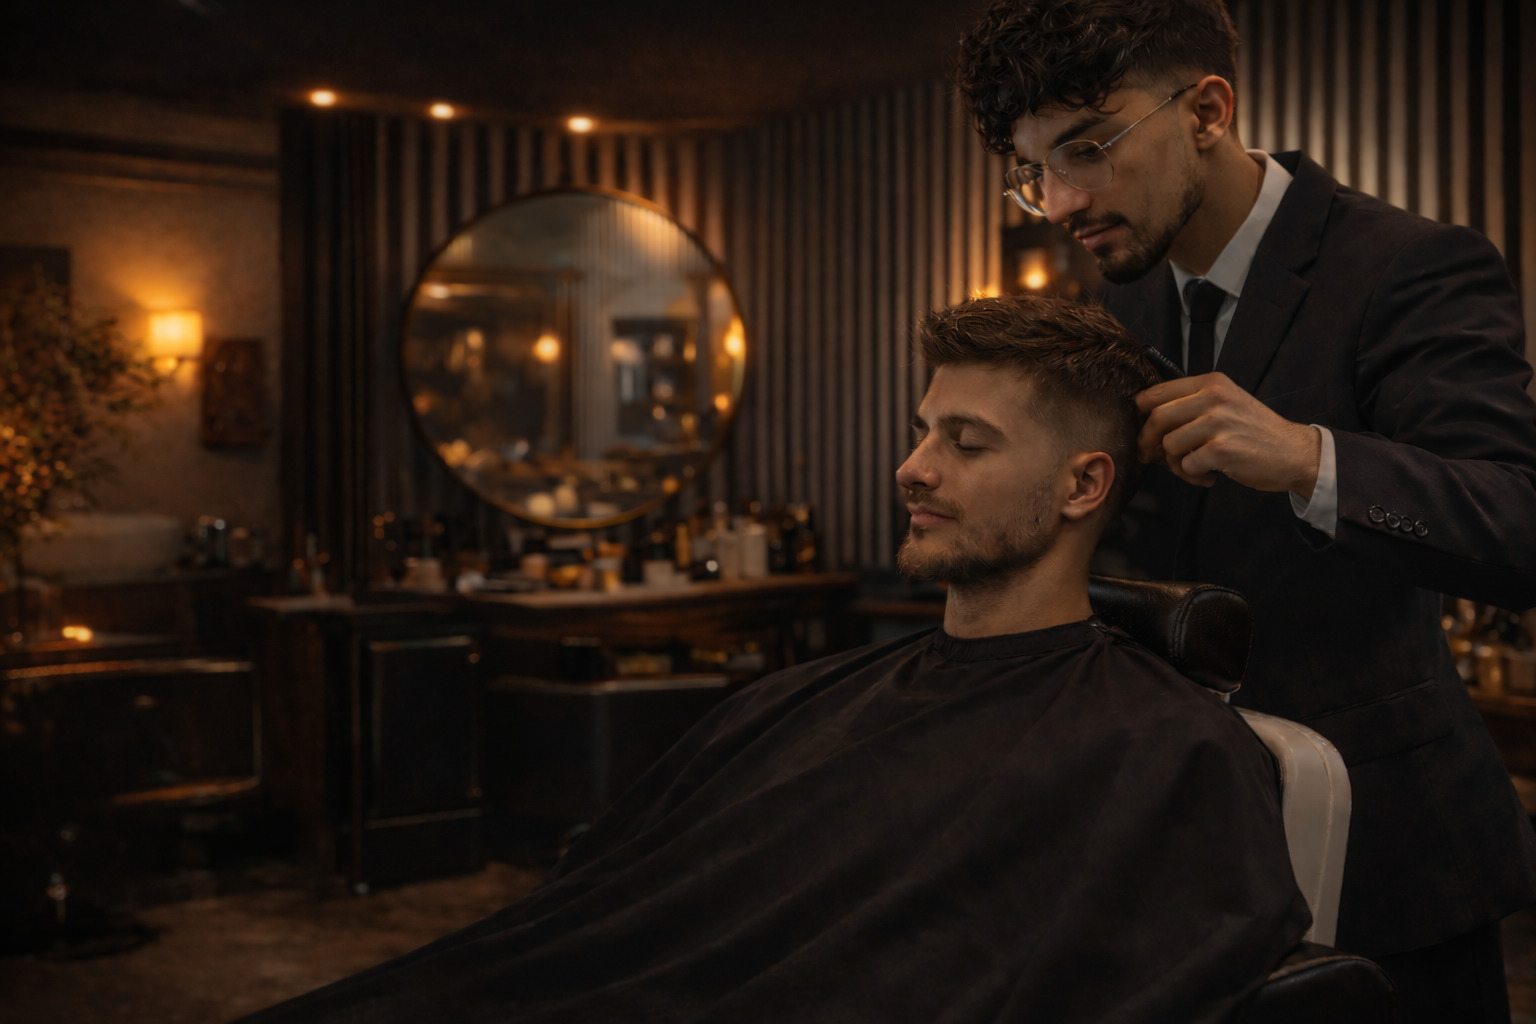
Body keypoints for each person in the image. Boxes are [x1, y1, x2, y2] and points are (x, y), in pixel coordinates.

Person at [239, 295, 1307, 1024]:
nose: (911, 467)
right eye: (922, 430)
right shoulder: (807, 697)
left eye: (966, 443)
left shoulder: (1164, 746)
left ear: (1082, 486)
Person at [955, 2, 1536, 1020]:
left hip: (1389, 855)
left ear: (1208, 109)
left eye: (1087, 150)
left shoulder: (1408, 267)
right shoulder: (1109, 310)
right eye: (1035, 168)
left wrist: (1310, 459)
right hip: (1168, 846)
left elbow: (1517, 520)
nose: (1058, 202)